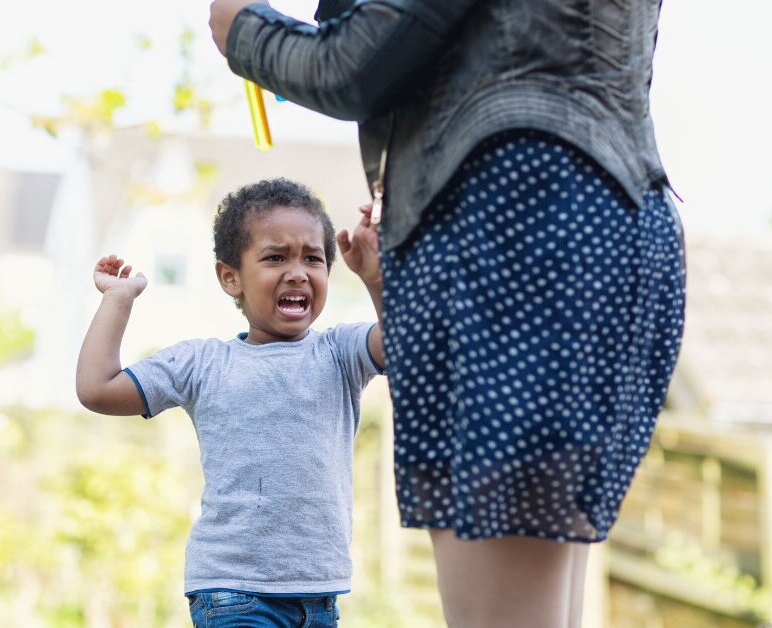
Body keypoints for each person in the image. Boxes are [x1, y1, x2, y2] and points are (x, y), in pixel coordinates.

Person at [208, 2, 686, 627]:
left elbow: (355, 65)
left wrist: (240, 28)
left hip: (513, 220)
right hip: (606, 215)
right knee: (542, 600)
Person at [75, 178, 387, 627]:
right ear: (230, 277)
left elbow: (405, 346)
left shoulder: (341, 352)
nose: (298, 272)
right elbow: (97, 389)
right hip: (234, 593)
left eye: (312, 258)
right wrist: (118, 300)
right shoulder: (203, 362)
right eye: (275, 257)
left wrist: (376, 278)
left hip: (319, 595)